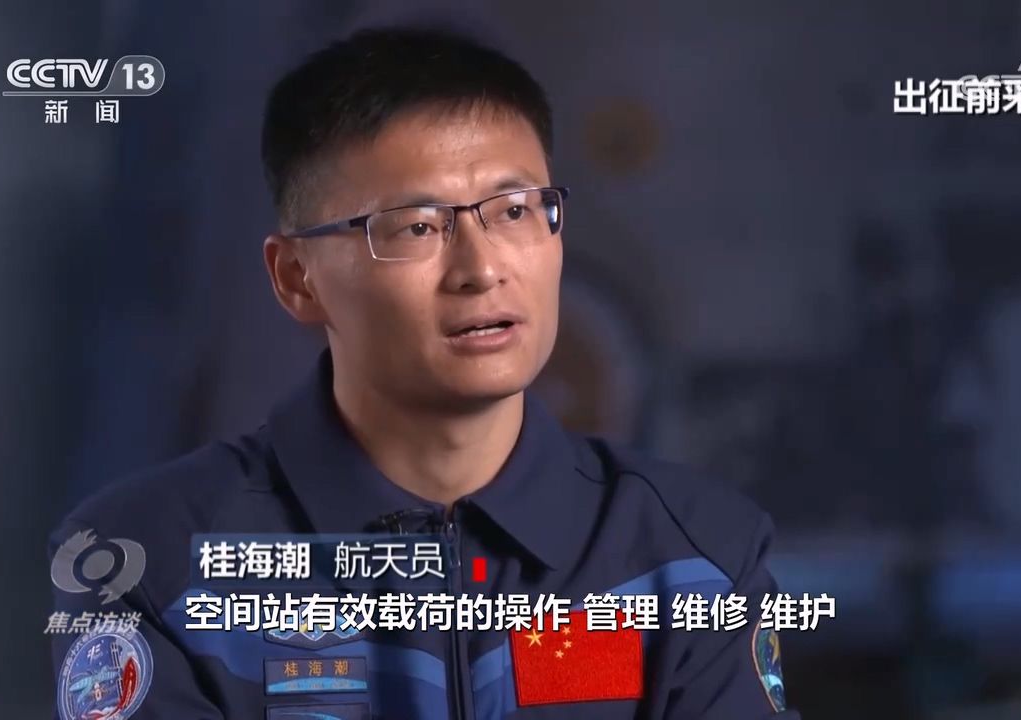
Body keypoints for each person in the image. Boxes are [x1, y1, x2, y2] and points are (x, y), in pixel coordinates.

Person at [49, 25, 799, 720]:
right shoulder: (148, 562)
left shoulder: (694, 557)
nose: (481, 269)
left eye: (514, 211)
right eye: (416, 227)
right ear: (298, 279)